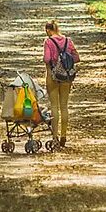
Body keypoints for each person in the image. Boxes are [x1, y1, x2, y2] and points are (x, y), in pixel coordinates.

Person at [43, 20, 80, 149]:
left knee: (54, 106)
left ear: (48, 30)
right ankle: (64, 135)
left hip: (52, 76)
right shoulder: (68, 41)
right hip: (66, 77)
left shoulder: (48, 42)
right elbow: (76, 57)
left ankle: (54, 137)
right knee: (64, 106)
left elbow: (47, 59)